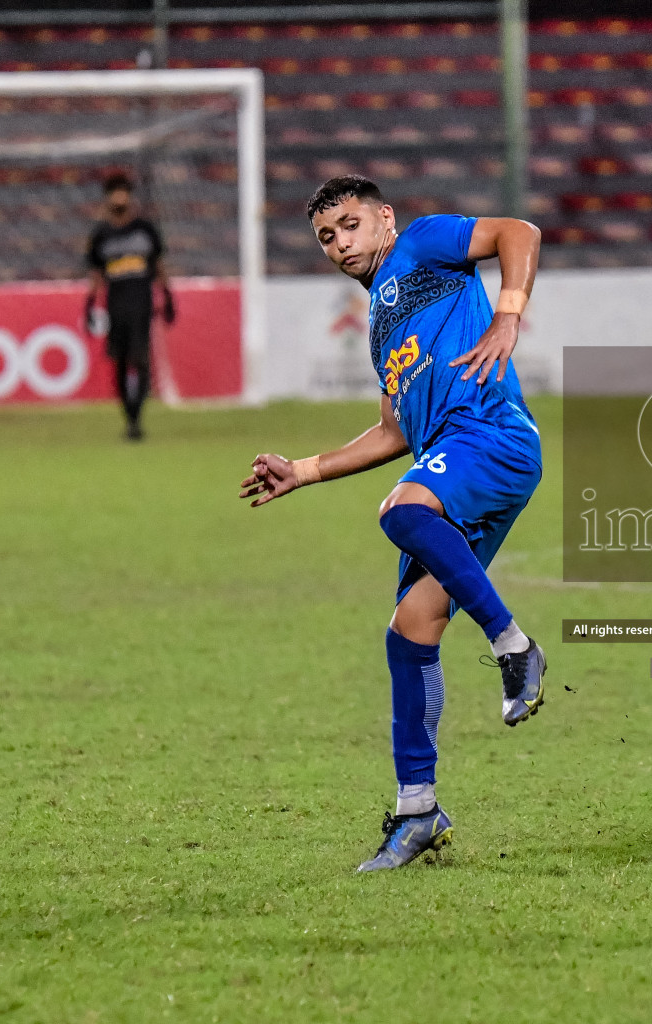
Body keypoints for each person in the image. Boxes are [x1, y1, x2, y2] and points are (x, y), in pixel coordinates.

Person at [238, 175, 548, 872]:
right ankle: (417, 811)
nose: (339, 243)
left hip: (490, 435)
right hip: (451, 454)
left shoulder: (421, 244)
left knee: (402, 510)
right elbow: (392, 431)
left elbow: (517, 233)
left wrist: (509, 316)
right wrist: (305, 469)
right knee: (411, 629)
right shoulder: (382, 323)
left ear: (382, 219)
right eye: (325, 236)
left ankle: (513, 646)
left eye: (349, 225)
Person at [84, 173, 173, 440]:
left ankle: (136, 415)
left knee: (141, 358)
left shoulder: (145, 229)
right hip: (116, 305)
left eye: (123, 191)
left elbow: (158, 265)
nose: (119, 196)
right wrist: (89, 303)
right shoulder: (101, 234)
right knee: (120, 362)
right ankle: (129, 414)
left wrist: (167, 295)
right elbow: (97, 274)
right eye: (115, 191)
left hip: (141, 304)